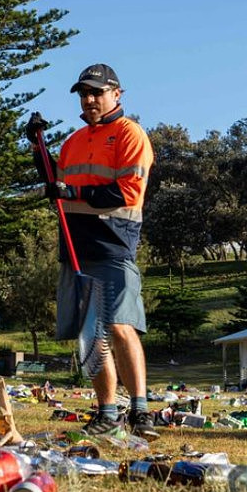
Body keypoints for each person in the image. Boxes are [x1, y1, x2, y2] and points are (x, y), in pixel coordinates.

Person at [26, 63, 157, 439]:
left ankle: (141, 411)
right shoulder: (73, 141)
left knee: (120, 326)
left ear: (117, 94)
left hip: (113, 242)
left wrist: (74, 193)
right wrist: (39, 148)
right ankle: (107, 412)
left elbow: (129, 192)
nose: (89, 99)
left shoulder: (130, 134)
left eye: (97, 92)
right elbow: (56, 182)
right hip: (74, 247)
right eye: (84, 93)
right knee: (91, 334)